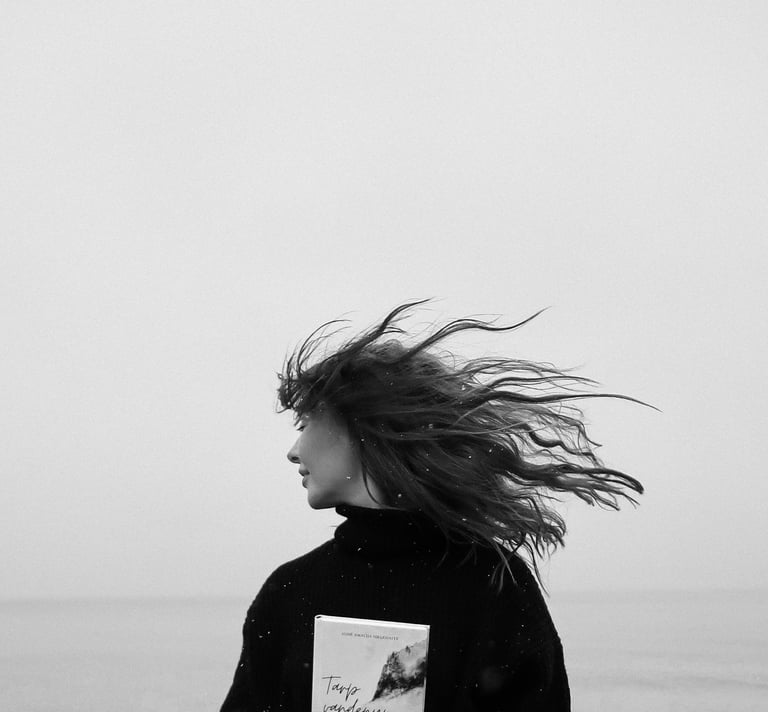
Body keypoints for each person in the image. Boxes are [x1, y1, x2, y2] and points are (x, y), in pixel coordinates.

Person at [220, 300, 646, 711]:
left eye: (306, 422)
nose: (293, 452)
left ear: (361, 427)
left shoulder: (492, 585)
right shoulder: (290, 590)